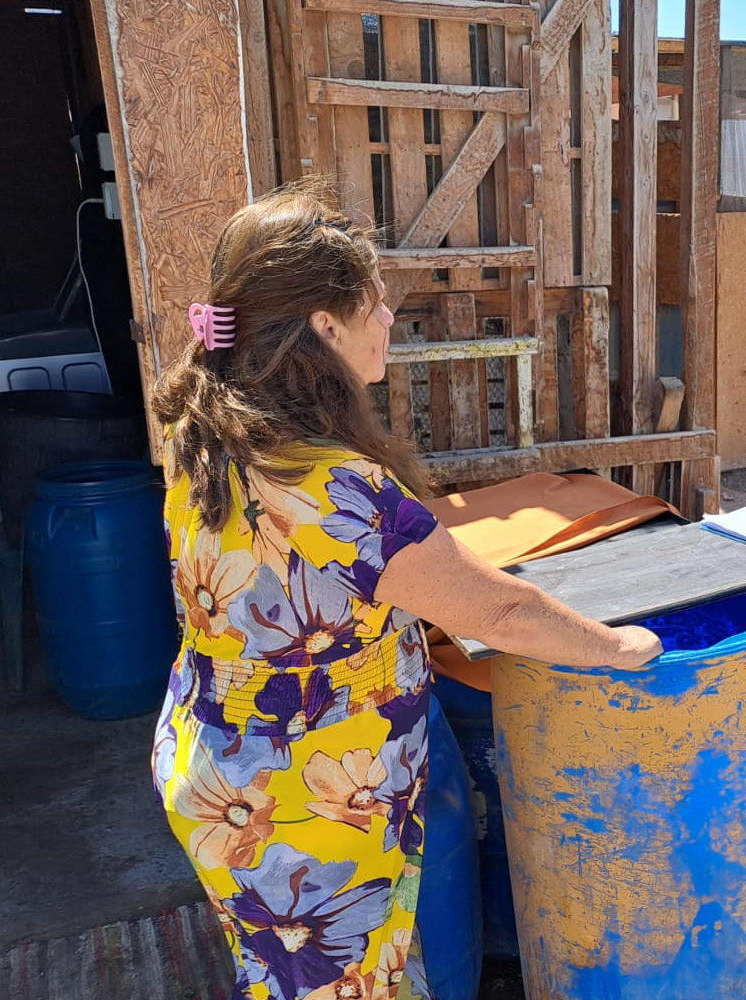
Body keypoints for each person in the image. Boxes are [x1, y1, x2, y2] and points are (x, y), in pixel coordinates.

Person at [148, 181, 662, 1000]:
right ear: (324, 327)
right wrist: (621, 647)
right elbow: (500, 610)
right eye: (377, 302)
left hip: (220, 766)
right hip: (305, 809)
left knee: (290, 977)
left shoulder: (203, 431)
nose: (390, 318)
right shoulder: (334, 486)